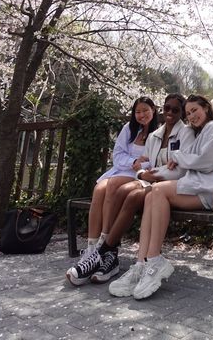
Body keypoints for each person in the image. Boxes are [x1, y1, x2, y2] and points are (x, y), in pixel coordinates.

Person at [109, 94, 213, 300]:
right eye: (189, 113)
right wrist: (148, 172)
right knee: (151, 193)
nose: (192, 116)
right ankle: (142, 263)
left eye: (195, 110)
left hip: (211, 189)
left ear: (206, 108)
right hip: (197, 186)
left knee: (156, 191)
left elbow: (206, 162)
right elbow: (182, 164)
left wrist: (178, 157)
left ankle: (154, 260)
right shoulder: (200, 132)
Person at [66, 96, 158, 286]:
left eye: (145, 110)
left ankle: (105, 243)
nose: (141, 115)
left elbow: (156, 160)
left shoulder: (158, 132)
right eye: (138, 111)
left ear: (154, 110)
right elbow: (118, 154)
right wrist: (133, 162)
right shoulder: (129, 129)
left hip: (140, 176)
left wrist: (140, 165)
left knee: (114, 184)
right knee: (99, 188)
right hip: (123, 168)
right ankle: (92, 248)